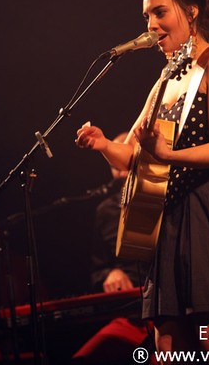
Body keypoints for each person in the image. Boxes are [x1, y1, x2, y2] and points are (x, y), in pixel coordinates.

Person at [75, 0, 209, 364]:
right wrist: (102, 145)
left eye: (160, 12)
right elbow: (132, 156)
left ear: (191, 10)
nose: (151, 25)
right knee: (167, 348)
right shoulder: (164, 81)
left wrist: (167, 156)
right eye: (147, 17)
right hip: (173, 217)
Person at [72, 133, 156, 365]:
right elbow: (97, 269)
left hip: (164, 313)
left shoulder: (161, 196)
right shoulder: (105, 210)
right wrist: (110, 273)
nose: (117, 167)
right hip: (129, 316)